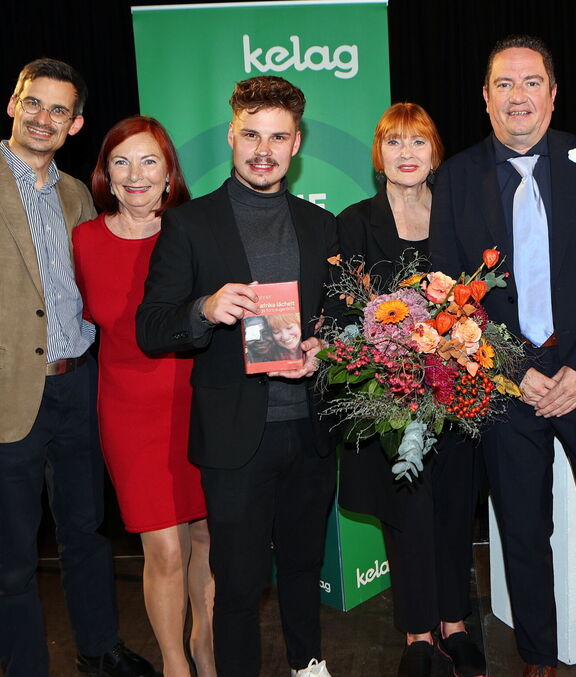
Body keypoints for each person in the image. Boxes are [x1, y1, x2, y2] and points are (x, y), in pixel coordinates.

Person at [430, 35, 576, 677]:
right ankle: (538, 657)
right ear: (485, 97)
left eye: (531, 82)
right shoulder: (456, 177)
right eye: (504, 84)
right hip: (505, 385)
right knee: (521, 530)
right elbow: (451, 290)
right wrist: (516, 371)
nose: (518, 96)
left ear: (552, 93)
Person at [136, 75, 339, 677]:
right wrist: (205, 308)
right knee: (239, 583)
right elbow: (152, 326)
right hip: (234, 439)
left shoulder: (319, 224)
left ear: (296, 143)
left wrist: (326, 347)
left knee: (303, 570)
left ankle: (309, 665)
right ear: (231, 135)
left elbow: (340, 317)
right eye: (251, 134)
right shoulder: (189, 224)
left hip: (309, 431)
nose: (263, 150)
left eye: (277, 137)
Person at [0, 58, 155, 677]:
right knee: (12, 552)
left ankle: (98, 648)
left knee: (86, 530)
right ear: (13, 104)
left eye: (58, 109)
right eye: (33, 102)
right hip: (10, 392)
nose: (44, 117)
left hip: (78, 384)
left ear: (76, 123)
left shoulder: (75, 194)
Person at [337, 102, 487, 677]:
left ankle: (455, 622)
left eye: (418, 142)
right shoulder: (355, 221)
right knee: (409, 515)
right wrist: (387, 362)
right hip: (392, 400)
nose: (406, 153)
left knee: (453, 508)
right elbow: (343, 309)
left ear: (435, 153)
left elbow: (479, 300)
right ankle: (418, 633)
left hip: (455, 391)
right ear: (379, 153)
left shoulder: (458, 214)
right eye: (394, 142)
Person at [72, 115, 215, 677]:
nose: (135, 175)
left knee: (207, 536)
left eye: (148, 161)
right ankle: (175, 664)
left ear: (168, 172)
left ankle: (206, 651)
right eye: (121, 162)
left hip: (199, 401)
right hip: (129, 413)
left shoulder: (195, 232)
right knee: (165, 549)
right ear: (105, 173)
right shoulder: (84, 241)